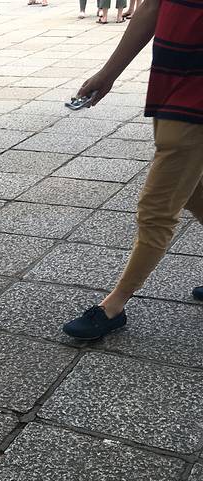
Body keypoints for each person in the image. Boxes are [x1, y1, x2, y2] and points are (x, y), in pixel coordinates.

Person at [63, 0, 203, 339]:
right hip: (171, 80)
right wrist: (108, 73)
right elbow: (150, 8)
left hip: (196, 96)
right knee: (193, 191)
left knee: (157, 208)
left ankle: (114, 305)